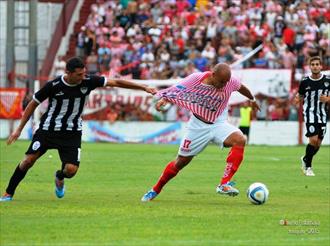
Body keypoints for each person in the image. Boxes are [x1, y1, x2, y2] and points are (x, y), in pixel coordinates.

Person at [0, 57, 157, 202]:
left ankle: (59, 177)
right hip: (48, 130)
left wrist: (143, 87)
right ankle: (8, 193)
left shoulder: (88, 81)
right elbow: (33, 103)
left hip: (72, 132)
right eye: (79, 74)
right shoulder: (53, 85)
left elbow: (116, 82)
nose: (83, 77)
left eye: (84, 73)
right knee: (28, 160)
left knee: (71, 170)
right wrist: (19, 129)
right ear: (68, 73)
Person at [141, 63, 260, 202]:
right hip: (197, 126)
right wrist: (164, 98)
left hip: (218, 123)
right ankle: (155, 189)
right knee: (180, 163)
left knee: (240, 139)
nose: (223, 85)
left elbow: (242, 88)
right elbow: (178, 89)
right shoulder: (195, 79)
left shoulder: (230, 82)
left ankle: (224, 184)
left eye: (226, 82)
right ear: (213, 74)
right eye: (221, 81)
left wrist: (252, 99)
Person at [295, 56, 330, 177]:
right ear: (310, 67)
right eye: (313, 64)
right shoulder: (305, 81)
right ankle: (308, 167)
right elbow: (300, 95)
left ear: (321, 66)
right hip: (309, 113)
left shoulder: (327, 80)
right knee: (313, 140)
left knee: (318, 144)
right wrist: (296, 99)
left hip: (323, 114)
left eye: (317, 64)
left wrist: (327, 99)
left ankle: (305, 158)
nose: (315, 66)